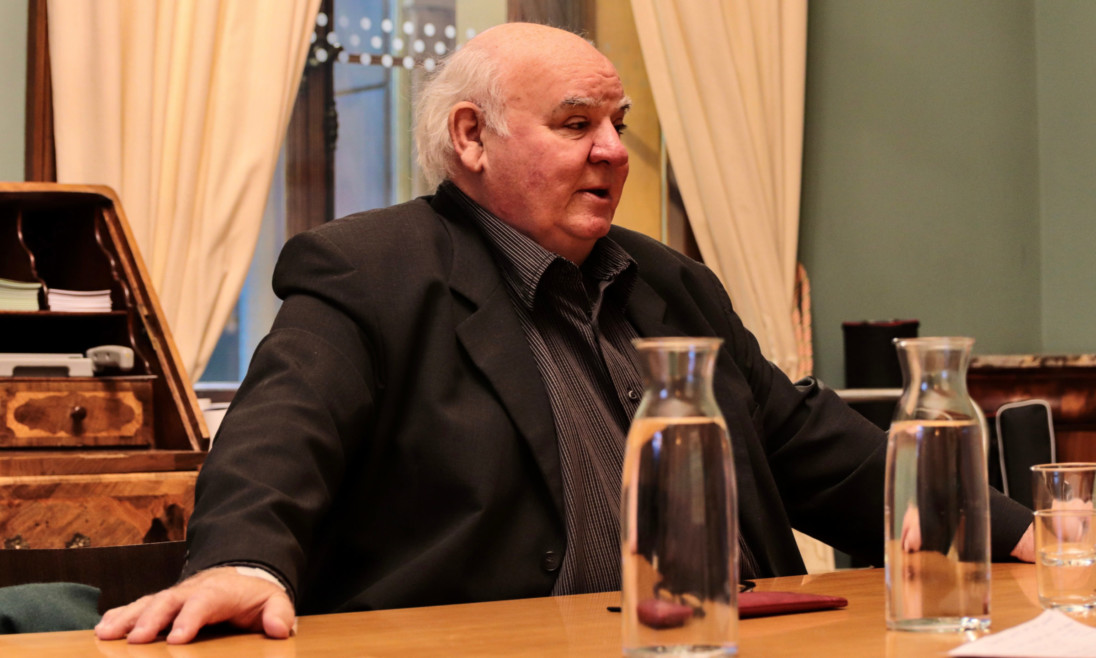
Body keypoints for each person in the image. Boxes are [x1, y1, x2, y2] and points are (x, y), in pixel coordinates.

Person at [95, 22, 1035, 645]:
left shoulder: (672, 280)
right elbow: (280, 434)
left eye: (617, 123)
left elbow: (803, 443)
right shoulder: (369, 270)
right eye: (576, 124)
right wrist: (244, 562)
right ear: (471, 137)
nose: (615, 151)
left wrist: (1017, 531)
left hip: (739, 637)